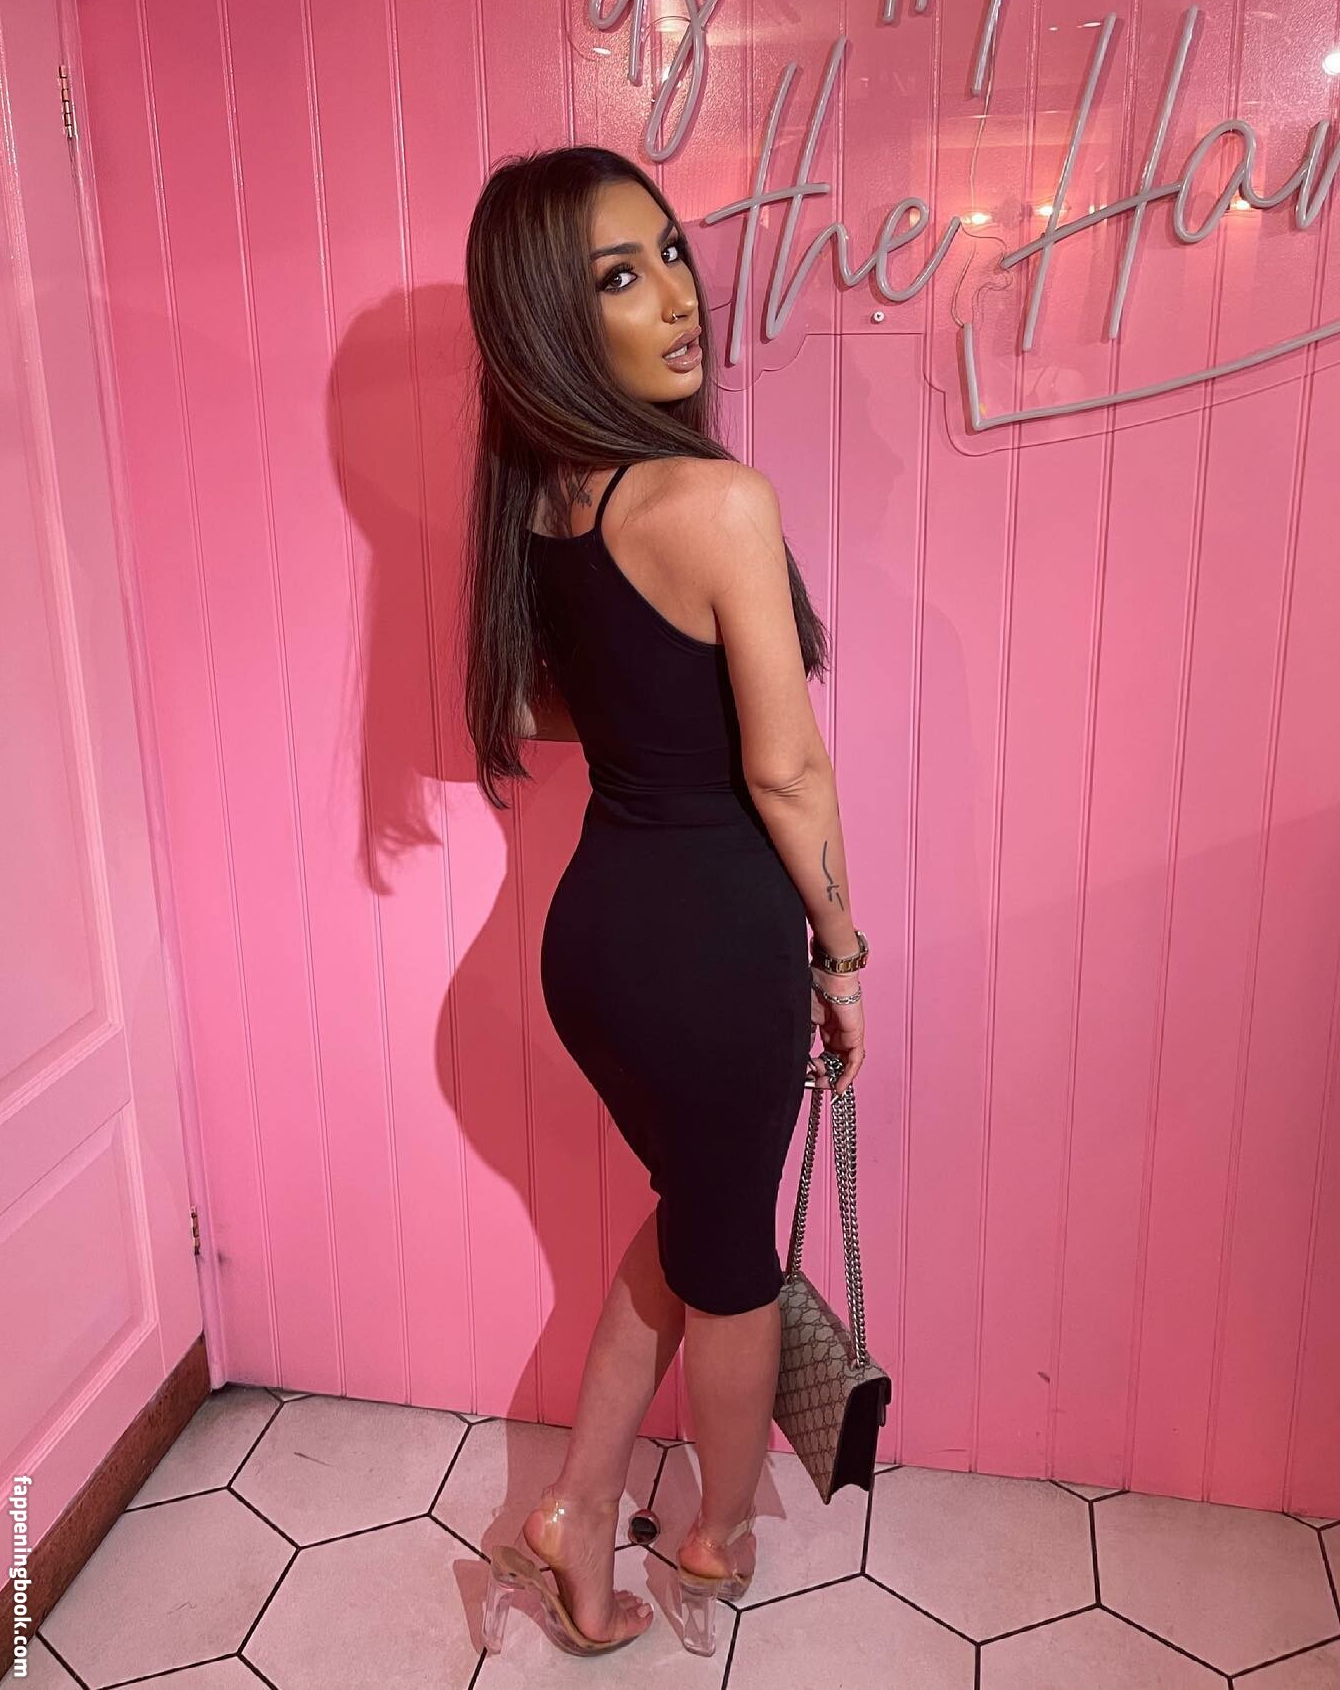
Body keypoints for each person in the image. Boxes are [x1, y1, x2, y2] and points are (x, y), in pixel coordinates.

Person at [459, 144, 866, 1657]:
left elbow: (552, 705)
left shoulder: (548, 501)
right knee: (733, 1270)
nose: (676, 298)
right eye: (616, 279)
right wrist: (844, 956)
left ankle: (574, 1515)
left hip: (600, 944)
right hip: (708, 951)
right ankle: (714, 1540)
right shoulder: (712, 500)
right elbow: (789, 773)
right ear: (550, 322)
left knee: (695, 1220)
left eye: (670, 255)